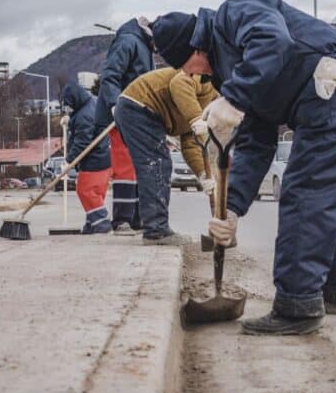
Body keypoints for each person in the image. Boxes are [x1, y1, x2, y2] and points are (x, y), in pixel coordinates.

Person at [151, 0, 336, 335]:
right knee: (325, 194)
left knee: (305, 191)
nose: (193, 75)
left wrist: (234, 98)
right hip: (331, 97)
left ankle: (297, 305)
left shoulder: (234, 14)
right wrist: (232, 209)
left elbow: (274, 40)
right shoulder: (230, 69)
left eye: (189, 67)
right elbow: (256, 141)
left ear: (195, 50)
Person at [113, 67, 218, 245]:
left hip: (144, 111)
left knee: (157, 164)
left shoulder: (212, 109)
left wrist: (203, 175)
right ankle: (156, 231)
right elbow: (179, 82)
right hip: (138, 106)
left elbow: (191, 142)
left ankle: (154, 226)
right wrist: (195, 119)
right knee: (156, 164)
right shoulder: (210, 80)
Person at [93, 17, 155, 233]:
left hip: (136, 115)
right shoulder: (128, 41)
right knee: (125, 166)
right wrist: (114, 106)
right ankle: (122, 220)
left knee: (138, 166)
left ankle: (137, 217)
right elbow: (110, 77)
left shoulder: (144, 46)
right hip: (121, 114)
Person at [60, 81, 112, 234]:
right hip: (104, 159)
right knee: (97, 194)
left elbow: (82, 142)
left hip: (94, 162)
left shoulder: (84, 115)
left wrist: (68, 161)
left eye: (68, 104)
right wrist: (70, 121)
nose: (67, 108)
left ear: (75, 99)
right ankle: (91, 224)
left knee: (85, 190)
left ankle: (102, 223)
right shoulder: (92, 103)